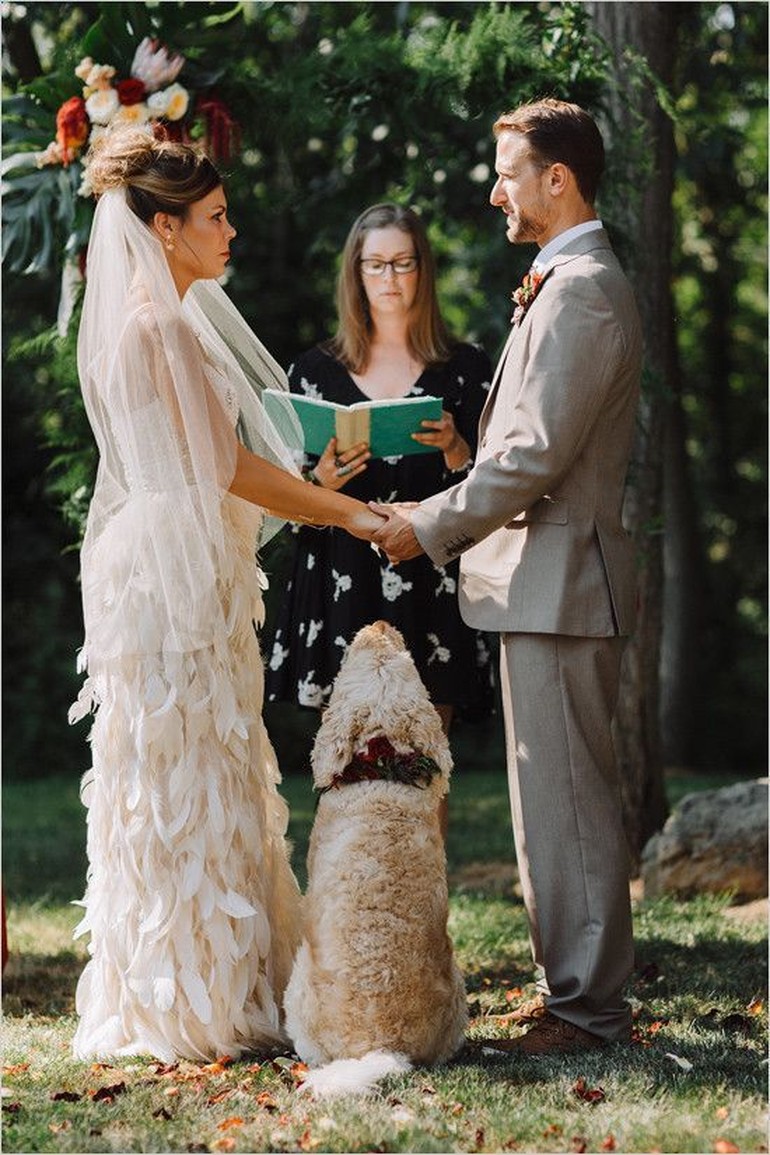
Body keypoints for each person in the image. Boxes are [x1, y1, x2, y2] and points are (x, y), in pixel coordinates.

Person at [68, 127, 383, 1063]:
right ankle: (198, 1001)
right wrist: (343, 512)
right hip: (172, 577)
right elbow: (224, 465)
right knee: (190, 768)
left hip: (171, 558)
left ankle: (193, 983)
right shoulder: (160, 323)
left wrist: (319, 479)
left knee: (192, 767)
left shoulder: (155, 314)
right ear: (164, 229)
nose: (231, 229)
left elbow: (210, 474)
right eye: (214, 216)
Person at [372, 99, 642, 1054]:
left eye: (508, 172)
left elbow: (528, 458)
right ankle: (571, 993)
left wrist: (427, 526)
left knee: (568, 801)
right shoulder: (566, 280)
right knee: (551, 800)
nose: (495, 191)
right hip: (545, 580)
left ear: (556, 179)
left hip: (565, 581)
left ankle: (587, 1009)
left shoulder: (582, 291)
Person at [265, 204, 494, 787]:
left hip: (429, 585)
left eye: (402, 263)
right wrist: (325, 483)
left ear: (424, 269)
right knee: (344, 772)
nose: (389, 279)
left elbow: (496, 495)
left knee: (425, 769)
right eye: (375, 265)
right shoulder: (313, 373)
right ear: (355, 273)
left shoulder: (462, 370)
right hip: (340, 583)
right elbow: (285, 506)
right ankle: (345, 882)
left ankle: (424, 881)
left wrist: (455, 450)